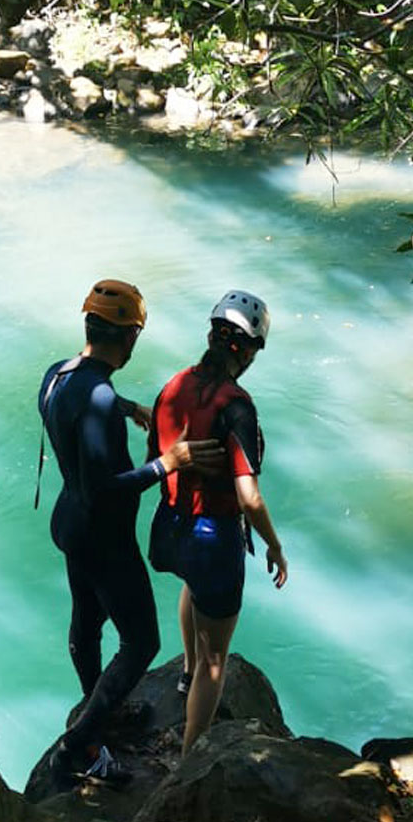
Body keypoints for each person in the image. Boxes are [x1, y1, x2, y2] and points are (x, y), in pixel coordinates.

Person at [36, 279, 224, 788]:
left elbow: (84, 405)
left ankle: (96, 711)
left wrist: (127, 406)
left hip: (68, 523)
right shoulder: (97, 395)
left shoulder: (61, 374)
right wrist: (170, 462)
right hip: (103, 536)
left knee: (87, 620)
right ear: (131, 337)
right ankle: (76, 749)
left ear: (89, 327)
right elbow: (108, 492)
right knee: (141, 642)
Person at [148, 289, 288, 755]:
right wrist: (274, 544)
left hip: (172, 524)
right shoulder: (237, 406)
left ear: (211, 335)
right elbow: (248, 496)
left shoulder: (173, 386)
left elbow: (156, 456)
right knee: (217, 660)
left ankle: (184, 674)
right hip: (213, 535)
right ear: (248, 350)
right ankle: (191, 756)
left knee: (193, 587)